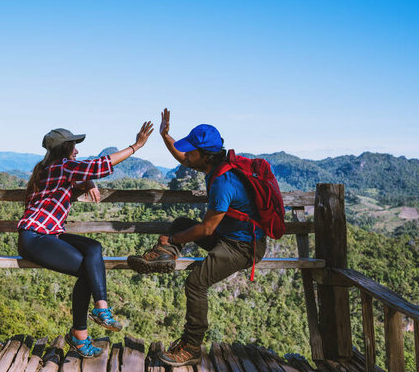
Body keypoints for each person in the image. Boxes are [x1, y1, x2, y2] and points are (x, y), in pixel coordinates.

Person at [127, 109, 267, 366]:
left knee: (195, 283)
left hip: (243, 246)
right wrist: (165, 135)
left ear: (206, 155)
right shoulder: (215, 167)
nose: (187, 155)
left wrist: (171, 239)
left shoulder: (224, 181)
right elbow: (184, 160)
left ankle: (191, 347)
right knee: (181, 223)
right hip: (228, 236)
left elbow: (206, 230)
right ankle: (164, 255)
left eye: (192, 150)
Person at [18, 122, 154, 358]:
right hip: (36, 238)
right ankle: (81, 334)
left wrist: (88, 181)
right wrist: (136, 146)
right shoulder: (62, 166)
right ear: (66, 149)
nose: (77, 151)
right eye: (74, 147)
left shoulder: (49, 167)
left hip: (47, 234)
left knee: (94, 248)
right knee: (86, 269)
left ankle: (100, 310)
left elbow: (84, 173)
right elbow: (100, 165)